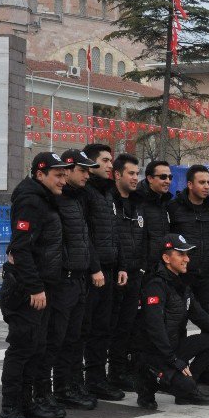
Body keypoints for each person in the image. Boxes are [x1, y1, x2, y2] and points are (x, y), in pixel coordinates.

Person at [0, 152, 68, 418]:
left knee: (37, 347)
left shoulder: (45, 198)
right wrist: (35, 287)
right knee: (22, 348)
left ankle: (27, 403)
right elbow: (21, 248)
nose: (63, 180)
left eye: (64, 175)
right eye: (58, 175)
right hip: (26, 289)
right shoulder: (30, 200)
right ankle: (10, 408)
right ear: (40, 175)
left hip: (41, 286)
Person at [134, 234, 209, 409]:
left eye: (187, 254)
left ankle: (189, 389)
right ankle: (146, 386)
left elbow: (201, 316)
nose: (187, 259)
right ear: (166, 258)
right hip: (154, 353)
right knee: (181, 383)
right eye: (181, 254)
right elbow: (154, 328)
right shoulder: (155, 285)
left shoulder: (180, 284)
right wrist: (174, 360)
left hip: (173, 349)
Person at [44, 149, 100, 412]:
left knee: (77, 336)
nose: (87, 175)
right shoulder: (56, 199)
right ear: (67, 169)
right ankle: (58, 389)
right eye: (83, 170)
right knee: (60, 338)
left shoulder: (77, 199)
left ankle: (72, 384)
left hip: (79, 279)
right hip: (63, 280)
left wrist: (92, 268)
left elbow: (84, 239)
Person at [168, 164, 209, 385]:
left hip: (207, 276)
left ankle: (204, 369)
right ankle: (177, 370)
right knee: (178, 323)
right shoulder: (174, 208)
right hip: (181, 277)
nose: (207, 186)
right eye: (202, 182)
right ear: (189, 184)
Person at [80, 143, 127, 402]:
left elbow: (113, 233)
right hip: (92, 274)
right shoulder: (86, 194)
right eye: (106, 160)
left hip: (109, 270)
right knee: (87, 330)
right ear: (91, 163)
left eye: (111, 160)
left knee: (103, 328)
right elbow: (84, 235)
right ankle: (85, 380)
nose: (111, 165)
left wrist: (120, 265)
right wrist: (95, 267)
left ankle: (98, 379)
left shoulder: (107, 194)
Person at [108, 153, 145, 391]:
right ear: (117, 174)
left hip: (134, 274)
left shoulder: (138, 202)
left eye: (137, 173)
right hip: (112, 274)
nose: (135, 178)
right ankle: (103, 374)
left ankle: (120, 372)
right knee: (108, 327)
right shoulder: (107, 200)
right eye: (130, 173)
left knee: (127, 327)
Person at [137, 160, 174, 272]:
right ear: (150, 179)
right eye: (163, 177)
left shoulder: (167, 202)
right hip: (143, 269)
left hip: (163, 267)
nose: (167, 181)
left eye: (170, 177)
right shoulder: (137, 201)